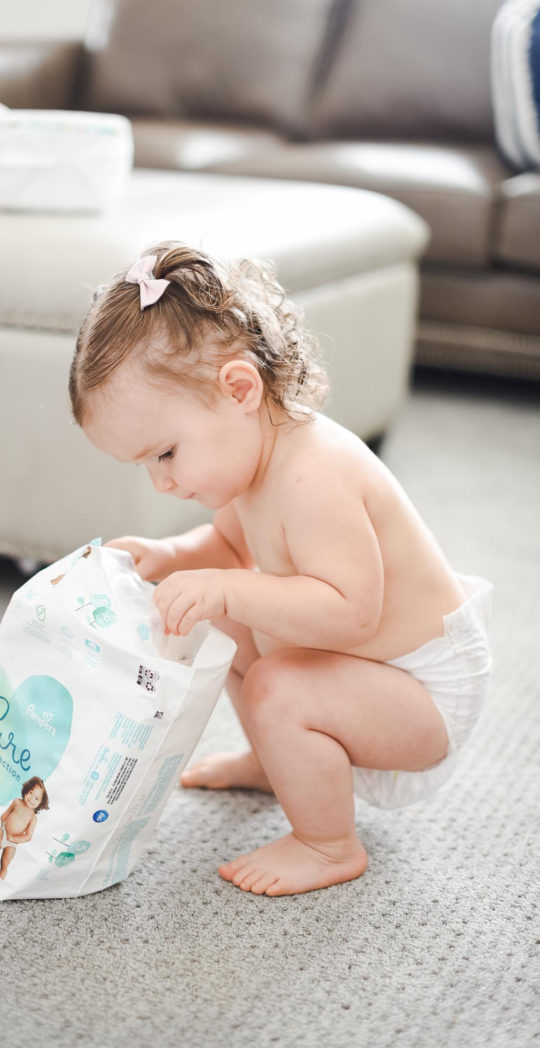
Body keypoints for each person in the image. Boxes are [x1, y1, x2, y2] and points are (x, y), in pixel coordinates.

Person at [68, 242, 493, 897]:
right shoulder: (252, 457)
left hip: (421, 689)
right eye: (146, 465)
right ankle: (280, 761)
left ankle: (328, 844)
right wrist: (171, 559)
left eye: (167, 453)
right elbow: (227, 546)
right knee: (228, 627)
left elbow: (352, 613)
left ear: (239, 388)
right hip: (367, 667)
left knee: (275, 683)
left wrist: (229, 586)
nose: (162, 482)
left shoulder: (314, 475)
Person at [0, 777, 49, 881]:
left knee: (5, 863)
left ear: (40, 803)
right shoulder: (17, 802)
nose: (31, 799)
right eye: (30, 793)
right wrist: (0, 829)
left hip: (13, 842)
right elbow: (5, 815)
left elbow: (28, 836)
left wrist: (14, 838)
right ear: (26, 790)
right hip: (3, 833)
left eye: (36, 798)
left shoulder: (33, 817)